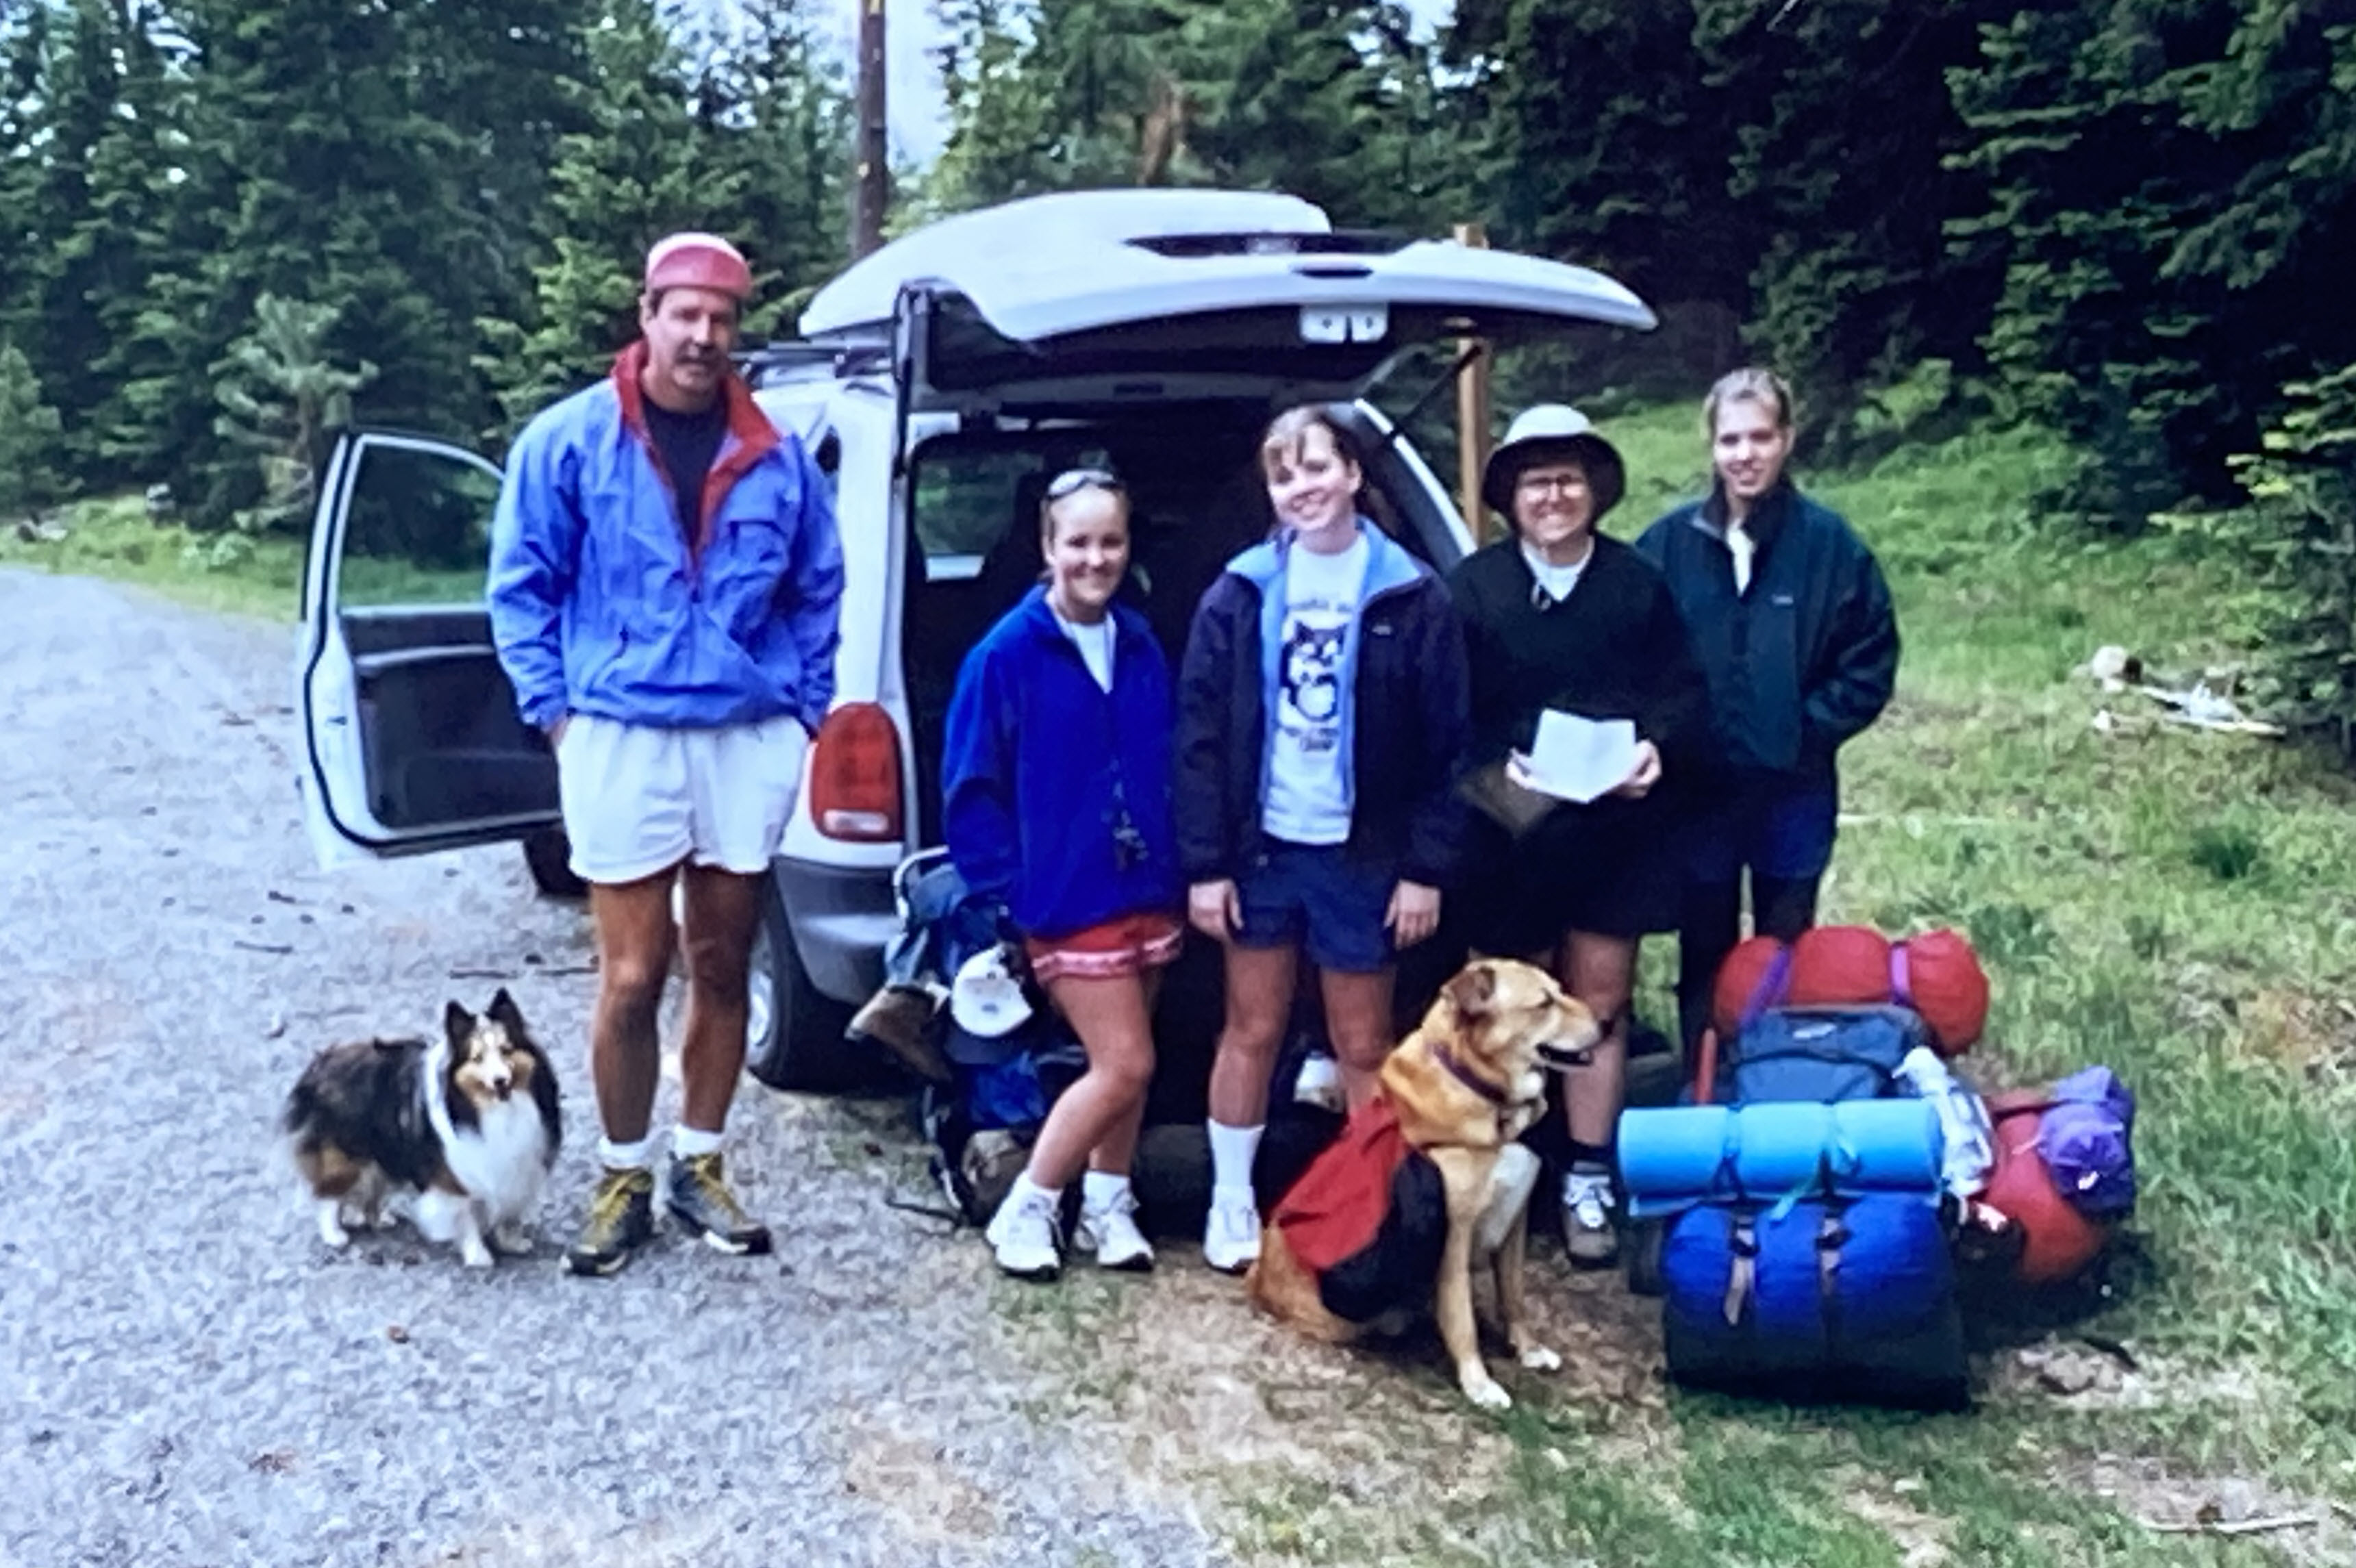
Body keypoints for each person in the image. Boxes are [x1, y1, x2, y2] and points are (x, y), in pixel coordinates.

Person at [488, 231, 844, 1276]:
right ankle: (622, 1173)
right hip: (620, 731)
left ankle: (701, 1161)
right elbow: (520, 585)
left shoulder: (778, 455)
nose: (702, 335)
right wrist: (557, 713)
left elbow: (818, 585)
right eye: (684, 313)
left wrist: (802, 711)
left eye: (721, 318)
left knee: (722, 961)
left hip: (744, 734)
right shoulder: (569, 441)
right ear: (647, 316)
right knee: (634, 973)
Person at [1175, 405, 1472, 1275]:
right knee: (1251, 1025)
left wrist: (1424, 868)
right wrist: (1205, 865)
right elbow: (1199, 739)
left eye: (1315, 467)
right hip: (1261, 849)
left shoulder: (1411, 594)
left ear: (1352, 473)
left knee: (1362, 1043)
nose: (1301, 487)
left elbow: (1448, 747)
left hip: (1362, 855)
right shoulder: (1237, 593)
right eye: (1282, 474)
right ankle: (1231, 1200)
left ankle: (1371, 1211)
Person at [1446, 405, 1707, 1267]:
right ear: (1509, 497)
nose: (1552, 497)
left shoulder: (1635, 584)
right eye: (1534, 483)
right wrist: (1499, 772)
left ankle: (1587, 1176)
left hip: (1613, 831)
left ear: (1593, 489)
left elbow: (1681, 691)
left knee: (1596, 1005)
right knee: (1510, 1009)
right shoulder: (1472, 588)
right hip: (1510, 835)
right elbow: (1445, 713)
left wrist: (1653, 748)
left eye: (1566, 480)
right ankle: (1503, 1169)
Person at [941, 470, 1184, 1282]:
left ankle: (1107, 1204)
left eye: (1110, 541)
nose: (1095, 559)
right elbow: (970, 788)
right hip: (1063, 898)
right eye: (1077, 542)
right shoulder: (1003, 655)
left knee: (1129, 1059)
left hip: (1146, 885)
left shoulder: (1140, 642)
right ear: (1047, 548)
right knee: (1125, 1062)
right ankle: (1031, 1203)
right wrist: (1012, 894)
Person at [1636, 368, 1898, 1061]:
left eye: (1759, 437)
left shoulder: (1830, 547)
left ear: (1786, 439)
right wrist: (1668, 739)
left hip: (1793, 788)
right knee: (1705, 948)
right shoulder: (1667, 546)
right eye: (1730, 440)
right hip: (1698, 793)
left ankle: (1777, 1072)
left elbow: (1869, 658)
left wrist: (1805, 731)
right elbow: (1630, 654)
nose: (1744, 455)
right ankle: (1704, 1078)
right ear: (1710, 446)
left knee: (1785, 949)